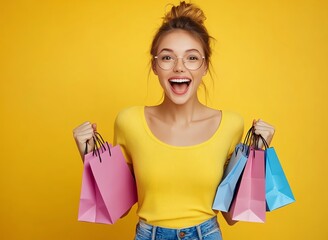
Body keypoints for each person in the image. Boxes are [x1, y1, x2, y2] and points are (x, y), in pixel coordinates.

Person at [73, 1, 275, 239]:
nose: (179, 68)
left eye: (191, 58)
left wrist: (259, 153)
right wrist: (89, 155)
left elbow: (231, 217)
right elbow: (121, 208)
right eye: (168, 58)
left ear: (205, 66)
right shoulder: (129, 121)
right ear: (155, 66)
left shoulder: (231, 125)